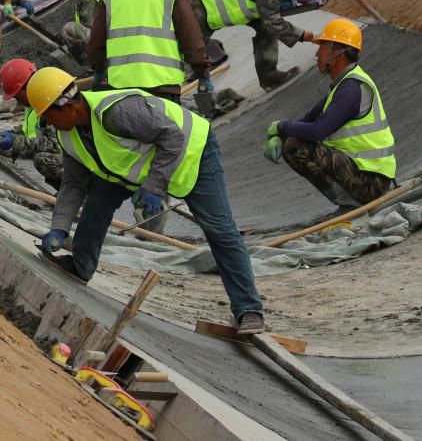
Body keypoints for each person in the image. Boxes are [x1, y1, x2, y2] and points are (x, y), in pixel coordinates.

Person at [27, 66, 265, 335]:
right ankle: (80, 266)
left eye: (48, 117)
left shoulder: (116, 111)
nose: (50, 125)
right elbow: (73, 183)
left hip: (193, 152)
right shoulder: (68, 135)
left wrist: (154, 186)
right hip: (137, 168)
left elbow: (172, 136)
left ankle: (249, 310)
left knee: (220, 230)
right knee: (98, 202)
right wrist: (59, 226)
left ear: (67, 106)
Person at [263, 18, 396, 209]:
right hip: (365, 173)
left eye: (322, 47)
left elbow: (318, 130)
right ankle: (351, 202)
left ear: (337, 50)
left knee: (295, 146)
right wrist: (278, 134)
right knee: (292, 138)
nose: (317, 54)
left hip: (373, 181)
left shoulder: (352, 88)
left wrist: (280, 126)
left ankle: (351, 205)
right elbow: (307, 119)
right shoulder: (343, 85)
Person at [187, 0, 323, 90]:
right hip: (199, 0)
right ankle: (195, 100)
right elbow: (273, 22)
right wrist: (308, 36)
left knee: (265, 27)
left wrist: (275, 2)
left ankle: (269, 77)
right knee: (193, 52)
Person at [0, 58, 64, 188]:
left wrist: (15, 141)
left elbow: (54, 145)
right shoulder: (34, 103)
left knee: (44, 159)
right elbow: (33, 129)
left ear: (28, 87)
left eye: (17, 96)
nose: (18, 102)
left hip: (78, 160)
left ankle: (75, 191)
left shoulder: (52, 102)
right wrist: (9, 133)